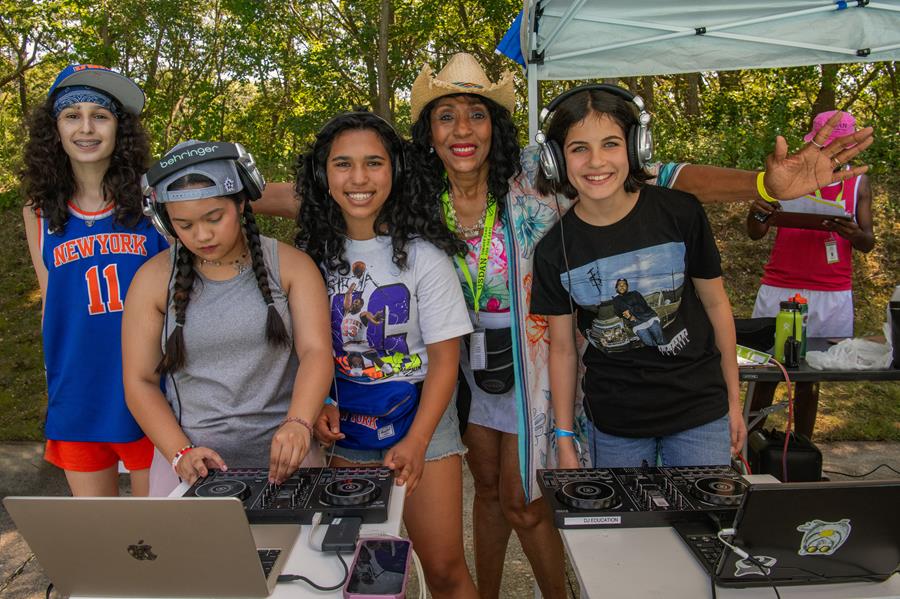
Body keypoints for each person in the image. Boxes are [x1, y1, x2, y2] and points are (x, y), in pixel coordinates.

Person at [251, 52, 874, 598]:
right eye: (446, 115)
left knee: (529, 499)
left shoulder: (534, 175)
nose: (462, 129)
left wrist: (764, 185)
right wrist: (218, 199)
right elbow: (316, 191)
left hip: (539, 357)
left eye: (476, 114)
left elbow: (658, 175)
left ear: (496, 126)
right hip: (462, 365)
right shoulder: (413, 185)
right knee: (491, 492)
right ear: (428, 130)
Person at [296, 112, 478, 599]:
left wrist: (418, 442)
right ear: (322, 175)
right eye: (343, 164)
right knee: (353, 569)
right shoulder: (310, 256)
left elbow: (445, 362)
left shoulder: (424, 256)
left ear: (395, 171)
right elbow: (311, 349)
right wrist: (318, 404)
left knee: (442, 566)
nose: (359, 178)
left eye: (374, 163)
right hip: (345, 425)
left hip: (423, 418)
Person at [530, 86, 746, 468]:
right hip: (616, 424)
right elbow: (562, 350)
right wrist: (564, 439)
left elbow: (716, 304)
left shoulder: (680, 213)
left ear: (636, 148)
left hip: (700, 410)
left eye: (611, 144)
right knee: (627, 528)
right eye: (579, 148)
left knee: (702, 524)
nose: (596, 161)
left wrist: (733, 400)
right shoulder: (553, 252)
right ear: (556, 161)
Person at [122, 140, 332, 485]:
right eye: (184, 225)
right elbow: (139, 381)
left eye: (214, 217)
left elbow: (316, 351)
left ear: (243, 201)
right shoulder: (151, 281)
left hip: (291, 462)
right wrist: (179, 452)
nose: (202, 235)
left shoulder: (292, 267)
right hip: (194, 470)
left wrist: (298, 423)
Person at [21, 64, 165, 497]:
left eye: (99, 116)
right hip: (78, 392)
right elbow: (51, 299)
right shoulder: (40, 210)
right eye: (72, 115)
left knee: (157, 537)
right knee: (101, 539)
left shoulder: (152, 200)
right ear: (55, 129)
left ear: (120, 128)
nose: (86, 128)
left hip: (149, 391)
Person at [746, 110, 875, 438]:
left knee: (809, 381)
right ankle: (749, 450)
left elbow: (867, 242)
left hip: (831, 292)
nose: (834, 155)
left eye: (840, 149)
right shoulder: (786, 175)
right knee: (765, 374)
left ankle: (801, 450)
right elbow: (755, 233)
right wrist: (758, 213)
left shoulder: (858, 182)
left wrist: (851, 232)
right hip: (780, 286)